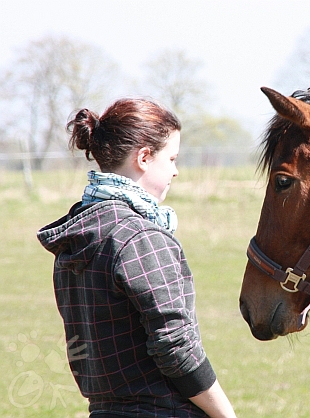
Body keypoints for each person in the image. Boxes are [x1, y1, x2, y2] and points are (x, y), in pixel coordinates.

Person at [37, 98, 236, 417]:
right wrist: (226, 414)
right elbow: (175, 347)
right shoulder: (141, 238)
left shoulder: (79, 236)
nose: (176, 171)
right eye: (171, 158)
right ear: (144, 157)